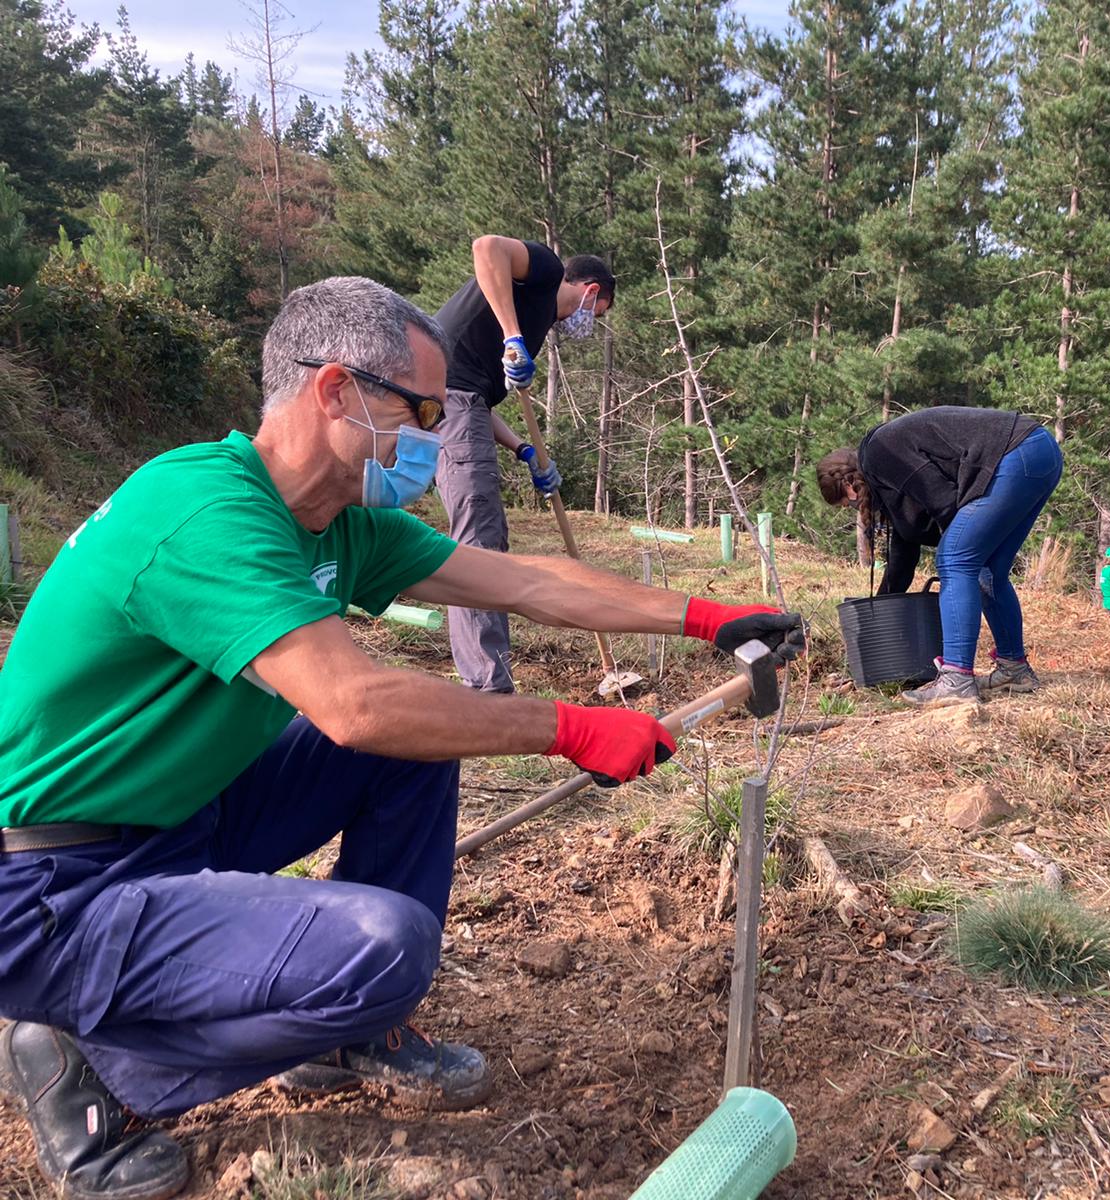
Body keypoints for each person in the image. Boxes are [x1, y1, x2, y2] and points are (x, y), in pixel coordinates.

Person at [0, 277, 803, 1200]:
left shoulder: (333, 521)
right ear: (335, 391)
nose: (435, 435)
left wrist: (710, 616)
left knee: (418, 752)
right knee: (386, 946)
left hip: (179, 819)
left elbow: (527, 583)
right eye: (421, 411)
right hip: (54, 889)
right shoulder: (205, 513)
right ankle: (97, 1073)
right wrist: (567, 726)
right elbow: (354, 704)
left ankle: (344, 1033)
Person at [434, 236, 615, 693]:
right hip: (446, 399)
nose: (590, 325)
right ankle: (488, 688)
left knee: (486, 533)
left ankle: (488, 676)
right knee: (479, 538)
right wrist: (512, 336)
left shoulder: (537, 322)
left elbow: (474, 395)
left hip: (462, 402)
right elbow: (485, 247)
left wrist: (523, 449)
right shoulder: (547, 271)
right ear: (590, 291)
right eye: (598, 313)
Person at [816, 406, 1062, 705]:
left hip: (1013, 454)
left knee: (956, 560)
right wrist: (879, 613)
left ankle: (956, 680)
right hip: (1039, 453)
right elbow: (903, 555)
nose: (853, 510)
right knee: (988, 569)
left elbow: (945, 501)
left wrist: (957, 551)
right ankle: (1015, 670)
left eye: (846, 504)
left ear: (849, 486)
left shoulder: (880, 453)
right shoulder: (888, 476)